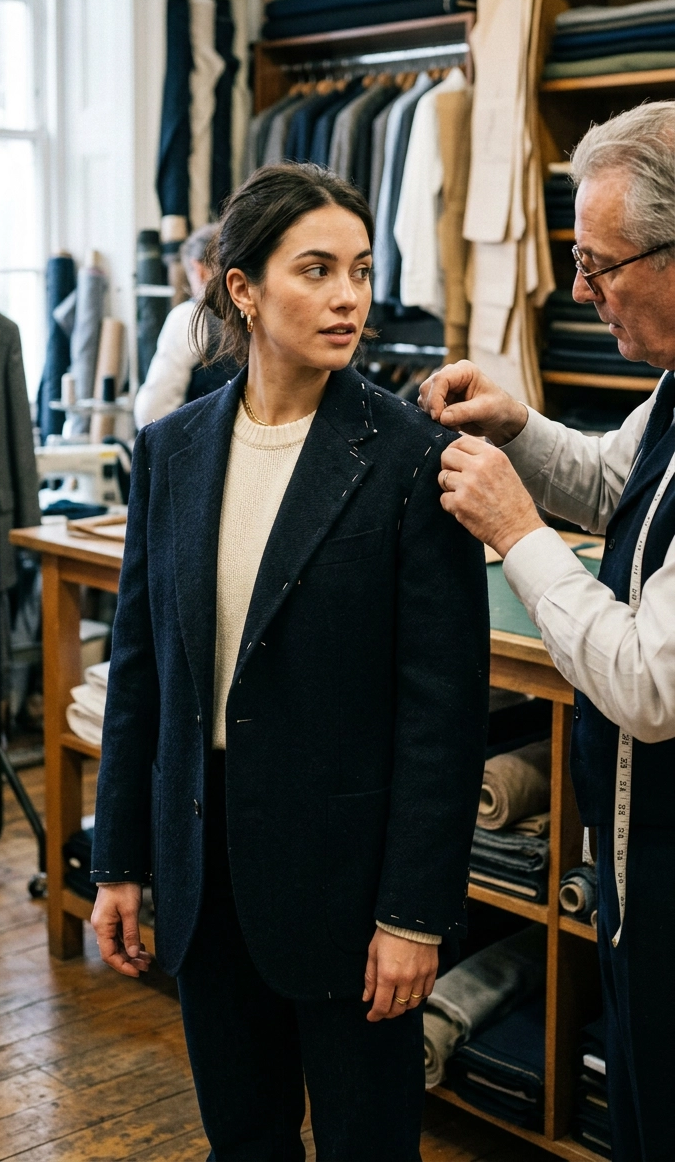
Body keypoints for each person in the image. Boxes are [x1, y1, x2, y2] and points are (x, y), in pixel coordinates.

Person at [91, 162, 489, 1161]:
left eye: (358, 268)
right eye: (315, 269)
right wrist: (121, 862)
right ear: (243, 287)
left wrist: (413, 910)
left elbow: (440, 710)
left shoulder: (407, 454)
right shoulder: (175, 449)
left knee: (368, 1144)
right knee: (245, 1139)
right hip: (205, 863)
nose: (349, 294)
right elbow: (142, 670)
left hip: (350, 886)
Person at [421, 100, 675, 1162]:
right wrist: (516, 426)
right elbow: (618, 479)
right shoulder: (673, 387)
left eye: (600, 265)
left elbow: (648, 681)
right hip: (640, 857)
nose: (582, 292)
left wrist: (515, 528)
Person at [134, 224, 237, 427]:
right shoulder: (263, 313)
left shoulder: (189, 318)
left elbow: (152, 413)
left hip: (207, 448)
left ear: (199, 270)